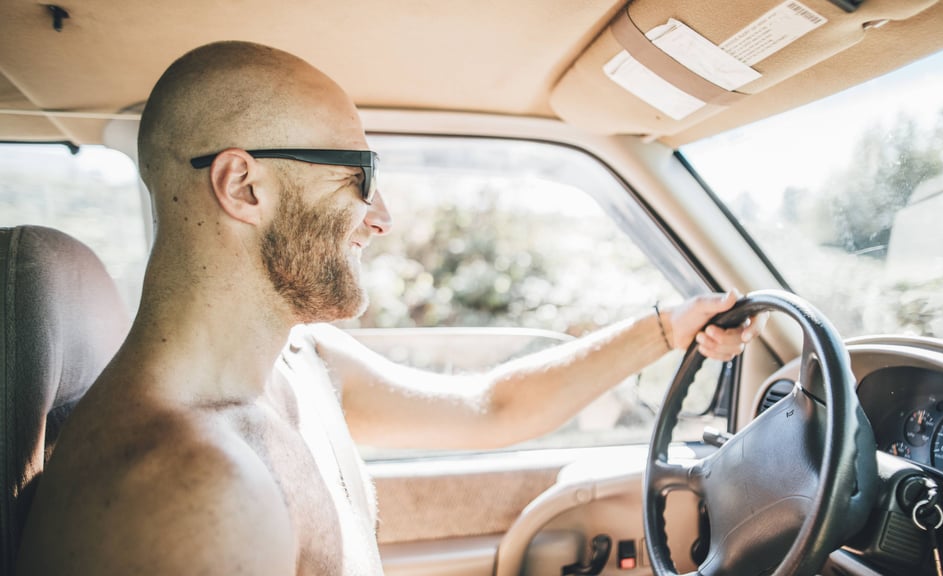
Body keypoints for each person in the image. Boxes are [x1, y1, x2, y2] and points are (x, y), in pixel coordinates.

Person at [16, 41, 762, 575]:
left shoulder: (297, 364)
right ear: (244, 188)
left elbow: (490, 407)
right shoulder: (188, 496)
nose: (382, 217)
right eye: (360, 175)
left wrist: (666, 330)